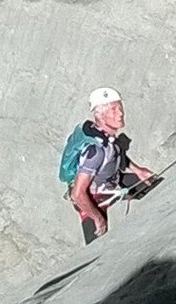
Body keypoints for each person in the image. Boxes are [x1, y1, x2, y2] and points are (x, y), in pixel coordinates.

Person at [66, 87, 156, 244]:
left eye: (120, 107)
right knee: (97, 248)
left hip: (111, 183)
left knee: (155, 184)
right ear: (100, 116)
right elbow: (77, 194)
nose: (120, 113)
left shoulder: (105, 137)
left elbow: (114, 155)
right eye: (113, 109)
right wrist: (97, 218)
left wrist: (137, 170)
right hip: (95, 198)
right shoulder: (95, 151)